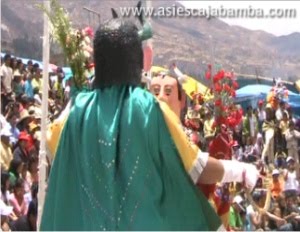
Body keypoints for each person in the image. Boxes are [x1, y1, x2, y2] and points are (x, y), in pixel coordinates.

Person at [41, 8, 258, 230]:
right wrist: (239, 170)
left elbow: (50, 148)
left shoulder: (76, 111)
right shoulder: (150, 109)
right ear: (135, 61)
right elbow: (197, 167)